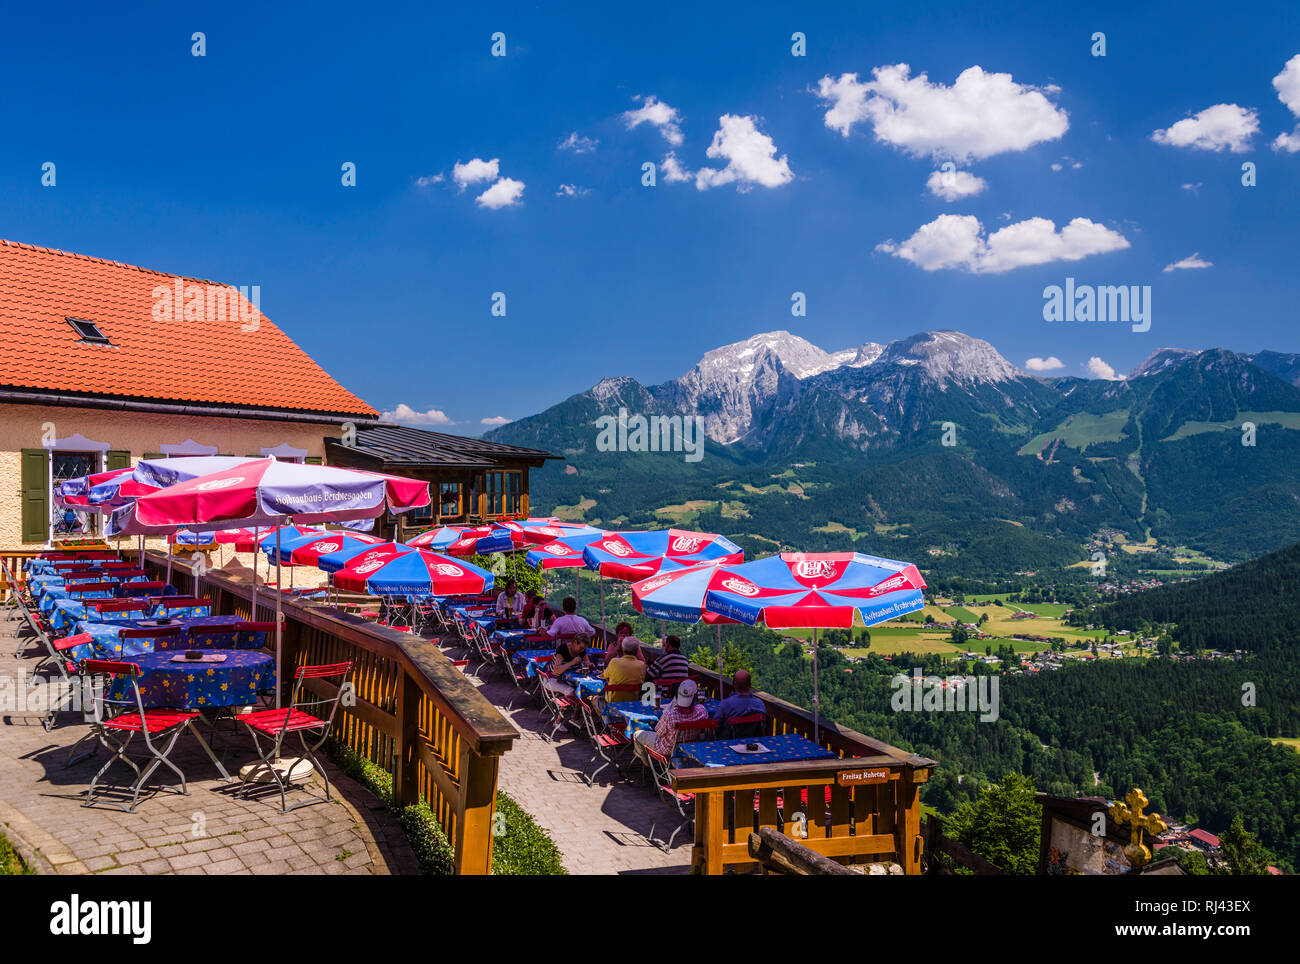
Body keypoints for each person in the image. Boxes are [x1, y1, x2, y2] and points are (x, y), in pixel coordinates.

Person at [633, 679, 709, 765]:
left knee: (637, 734)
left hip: (669, 750)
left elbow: (659, 733)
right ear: (695, 696)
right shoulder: (702, 711)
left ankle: (648, 766)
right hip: (691, 748)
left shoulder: (670, 715)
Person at [543, 633, 592, 697]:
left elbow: (587, 662)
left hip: (568, 680)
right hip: (552, 679)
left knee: (585, 689)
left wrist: (589, 665)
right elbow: (556, 671)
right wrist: (572, 662)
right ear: (575, 642)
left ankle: (580, 705)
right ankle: (577, 705)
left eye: (584, 648)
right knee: (575, 693)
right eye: (581, 648)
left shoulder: (581, 651)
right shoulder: (563, 649)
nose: (582, 650)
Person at [601, 638, 647, 702]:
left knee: (594, 699)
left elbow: (605, 675)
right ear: (637, 650)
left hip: (613, 703)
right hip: (633, 703)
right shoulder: (642, 665)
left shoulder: (614, 661)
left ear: (622, 649)